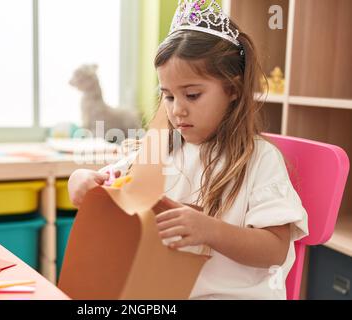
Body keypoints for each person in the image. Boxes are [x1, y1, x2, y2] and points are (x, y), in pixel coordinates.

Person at [68, 0, 308, 300]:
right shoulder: (157, 149)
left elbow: (275, 249)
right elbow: (106, 186)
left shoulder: (260, 160)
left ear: (233, 89)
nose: (177, 110)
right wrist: (81, 180)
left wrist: (211, 230)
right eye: (167, 96)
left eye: (192, 95)